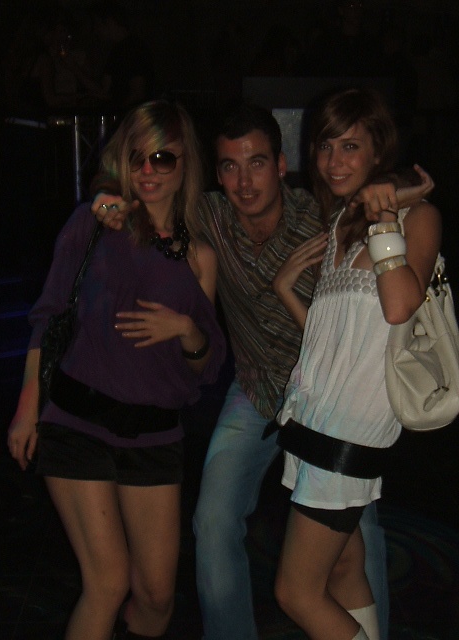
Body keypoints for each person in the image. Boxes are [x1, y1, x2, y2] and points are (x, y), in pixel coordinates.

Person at [91, 103, 434, 640]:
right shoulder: (209, 216)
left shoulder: (323, 216)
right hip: (255, 392)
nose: (244, 181)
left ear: (280, 164)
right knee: (212, 521)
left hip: (331, 402)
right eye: (229, 166)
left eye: (256, 163)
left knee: (355, 538)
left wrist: (392, 190)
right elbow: (149, 186)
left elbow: (377, 195)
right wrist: (108, 192)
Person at [7, 100, 226, 640]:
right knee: (106, 583)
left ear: (185, 164)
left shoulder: (200, 256)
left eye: (162, 158)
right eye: (136, 158)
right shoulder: (96, 222)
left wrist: (187, 329)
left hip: (154, 434)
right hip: (77, 421)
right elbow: (49, 317)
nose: (147, 171)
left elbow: (203, 368)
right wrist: (27, 409)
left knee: (156, 598)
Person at [272, 87, 441, 639]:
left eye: (350, 146)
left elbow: (399, 306)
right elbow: (338, 342)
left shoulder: (418, 217)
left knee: (296, 592)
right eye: (325, 146)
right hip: (315, 418)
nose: (334, 161)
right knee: (343, 568)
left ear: (377, 151)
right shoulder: (341, 222)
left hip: (349, 431)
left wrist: (386, 213)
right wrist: (287, 292)